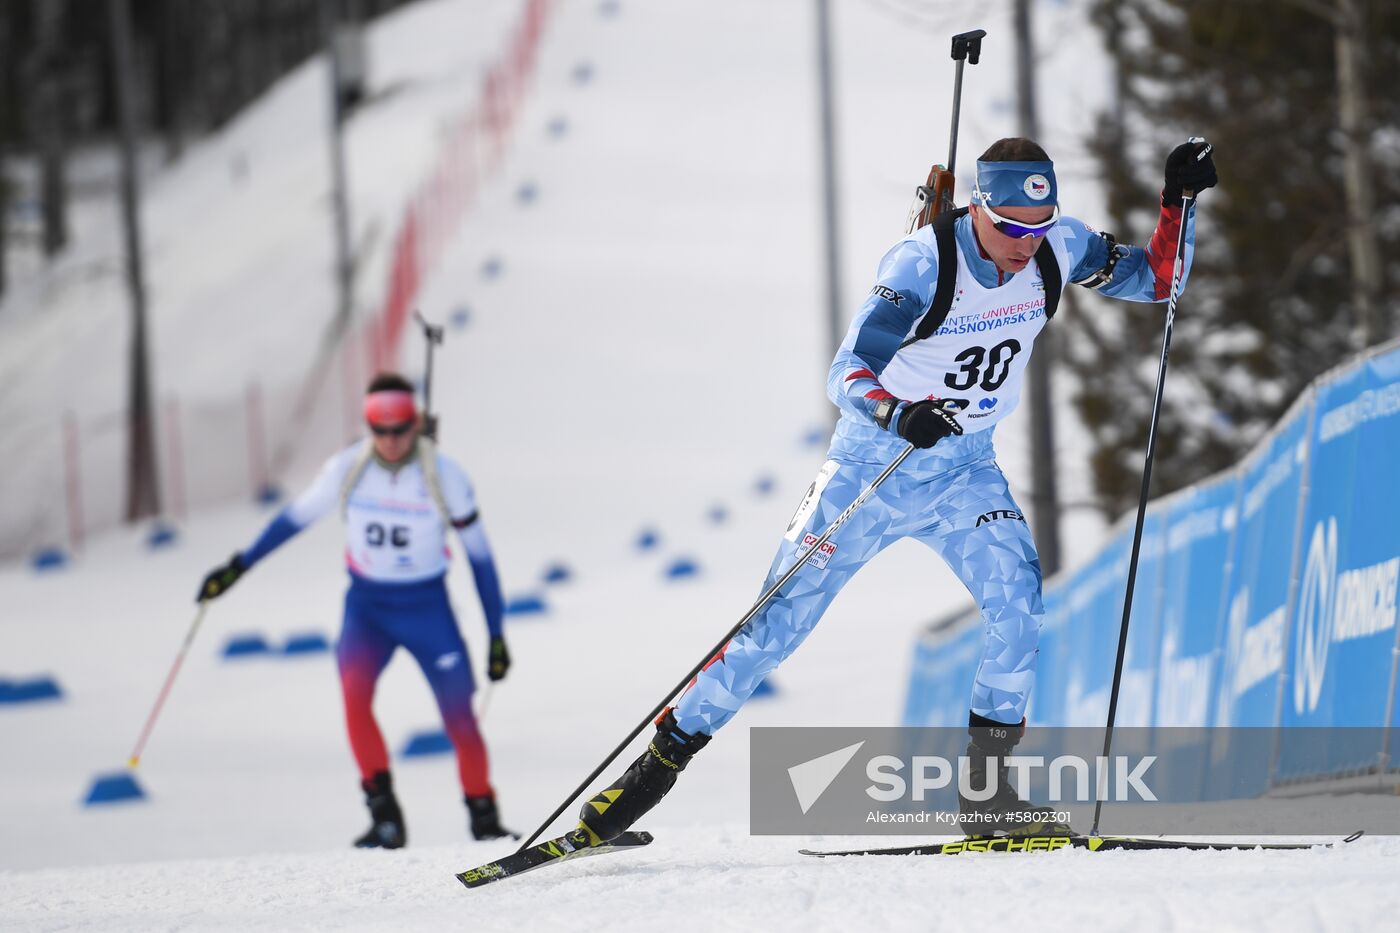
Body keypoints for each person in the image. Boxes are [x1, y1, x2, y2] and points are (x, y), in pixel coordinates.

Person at [571, 137, 1218, 843]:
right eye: (1010, 226)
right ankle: (648, 776)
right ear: (978, 208)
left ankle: (987, 794)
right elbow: (846, 371)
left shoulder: (1058, 246)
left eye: (1039, 226)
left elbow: (1160, 281)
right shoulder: (922, 264)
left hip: (964, 470)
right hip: (871, 468)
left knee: (1019, 606)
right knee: (774, 627)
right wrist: (896, 412)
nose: (1025, 243)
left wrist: (1177, 202)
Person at [196, 373, 514, 847]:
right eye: (379, 430)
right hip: (368, 609)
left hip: (427, 608)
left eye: (399, 429)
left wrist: (496, 635)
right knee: (354, 697)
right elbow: (293, 520)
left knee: (459, 718)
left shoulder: (445, 475)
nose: (390, 440)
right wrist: (238, 566)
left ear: (416, 423)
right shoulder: (347, 467)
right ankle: (385, 818)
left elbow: (481, 558)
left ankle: (484, 821)